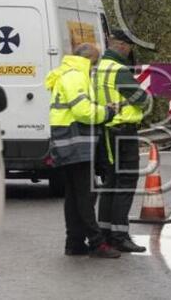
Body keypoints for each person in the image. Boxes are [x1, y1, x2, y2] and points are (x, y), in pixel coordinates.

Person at [45, 43, 120, 258]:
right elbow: (82, 111)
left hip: (67, 142)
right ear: (88, 60)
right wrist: (107, 112)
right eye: (94, 63)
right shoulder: (76, 76)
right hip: (75, 142)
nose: (94, 69)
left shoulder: (67, 73)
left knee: (74, 196)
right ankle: (97, 243)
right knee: (86, 195)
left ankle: (75, 242)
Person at [95, 30, 150, 253]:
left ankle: (105, 232)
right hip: (123, 132)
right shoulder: (119, 70)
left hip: (106, 131)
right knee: (125, 183)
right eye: (128, 47)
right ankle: (120, 235)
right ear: (122, 46)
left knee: (111, 183)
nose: (129, 51)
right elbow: (141, 98)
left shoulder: (99, 68)